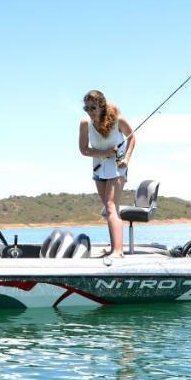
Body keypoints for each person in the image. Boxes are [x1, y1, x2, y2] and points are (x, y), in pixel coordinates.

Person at [79, 89, 135, 257]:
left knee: (111, 207)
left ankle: (118, 251)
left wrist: (126, 158)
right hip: (98, 168)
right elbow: (83, 150)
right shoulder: (84, 124)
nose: (90, 112)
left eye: (93, 108)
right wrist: (103, 154)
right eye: (86, 108)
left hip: (117, 167)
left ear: (102, 106)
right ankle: (114, 248)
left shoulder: (118, 120)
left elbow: (132, 138)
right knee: (109, 209)